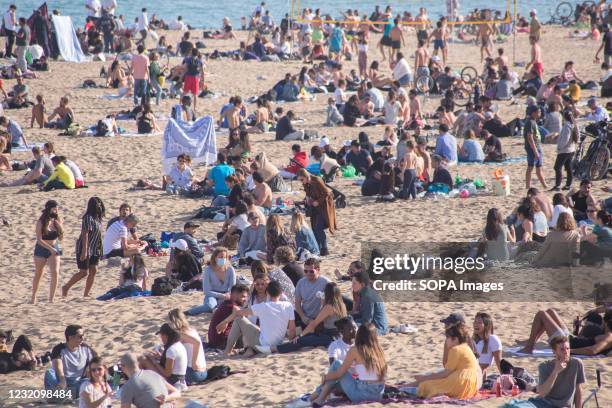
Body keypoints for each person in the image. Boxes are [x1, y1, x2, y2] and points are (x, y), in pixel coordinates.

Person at [309, 323, 386, 405]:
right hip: (378, 394)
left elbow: (338, 374)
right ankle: (315, 396)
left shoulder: (355, 350)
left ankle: (317, 398)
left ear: (359, 334)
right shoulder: (379, 350)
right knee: (335, 384)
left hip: (362, 395)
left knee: (337, 364)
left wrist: (325, 377)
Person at [222, 280, 296, 357]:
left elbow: (240, 313)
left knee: (238, 319)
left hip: (262, 344)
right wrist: (290, 343)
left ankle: (227, 351)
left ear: (267, 293)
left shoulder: (263, 306)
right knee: (257, 328)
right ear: (281, 293)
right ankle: (249, 349)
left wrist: (226, 320)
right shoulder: (288, 306)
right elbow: (292, 329)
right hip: (278, 343)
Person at [271, 281, 347, 353]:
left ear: (327, 293)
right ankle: (281, 346)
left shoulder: (329, 307)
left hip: (330, 337)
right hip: (338, 335)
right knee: (308, 336)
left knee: (300, 340)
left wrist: (300, 335)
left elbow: (314, 323)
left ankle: (276, 348)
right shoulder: (341, 305)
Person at [412, 322, 479, 399]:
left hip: (461, 381)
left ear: (455, 339)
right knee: (429, 382)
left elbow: (446, 373)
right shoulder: (465, 347)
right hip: (471, 383)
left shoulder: (455, 349)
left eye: (447, 337)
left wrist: (425, 378)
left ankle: (441, 395)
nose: (446, 340)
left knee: (425, 385)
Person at [61, 197, 105, 298]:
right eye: (97, 204)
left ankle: (86, 294)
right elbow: (85, 234)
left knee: (94, 270)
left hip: (95, 249)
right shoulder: (88, 218)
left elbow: (98, 236)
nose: (99, 205)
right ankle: (66, 287)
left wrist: (101, 251)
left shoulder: (98, 219)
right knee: (83, 272)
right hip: (84, 247)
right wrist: (84, 251)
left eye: (100, 203)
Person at [44, 325, 97, 399]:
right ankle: (57, 396)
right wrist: (63, 381)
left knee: (90, 381)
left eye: (83, 336)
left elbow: (97, 362)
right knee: (49, 373)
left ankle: (65, 396)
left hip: (78, 383)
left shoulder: (85, 348)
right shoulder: (59, 349)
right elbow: (59, 367)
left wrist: (89, 369)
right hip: (62, 382)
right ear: (70, 338)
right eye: (80, 336)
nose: (82, 339)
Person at [296, 169, 336, 256]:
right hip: (314, 207)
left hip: (324, 206)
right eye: (300, 180)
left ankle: (324, 249)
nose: (301, 182)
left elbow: (327, 192)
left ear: (306, 176)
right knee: (314, 228)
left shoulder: (317, 180)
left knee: (318, 228)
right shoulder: (306, 183)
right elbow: (308, 194)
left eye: (302, 179)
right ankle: (318, 247)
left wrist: (318, 201)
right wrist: (305, 201)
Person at [187, 247, 236, 315]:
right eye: (221, 257)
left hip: (227, 296)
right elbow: (206, 291)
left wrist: (227, 295)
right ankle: (188, 312)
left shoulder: (230, 270)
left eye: (225, 257)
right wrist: (222, 295)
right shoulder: (208, 270)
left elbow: (233, 287)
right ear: (215, 258)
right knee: (209, 306)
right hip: (212, 295)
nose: (223, 259)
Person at [32, 200, 63, 304]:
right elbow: (39, 239)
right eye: (54, 208)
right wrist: (50, 249)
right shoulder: (41, 222)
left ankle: (51, 299)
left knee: (55, 273)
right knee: (39, 273)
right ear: (49, 209)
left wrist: (59, 226)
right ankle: (33, 297)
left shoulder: (56, 220)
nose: (56, 211)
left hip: (55, 246)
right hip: (42, 248)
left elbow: (61, 237)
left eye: (57, 208)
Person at [141, 323, 188, 389]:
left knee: (144, 360)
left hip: (173, 381)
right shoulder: (179, 345)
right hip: (180, 379)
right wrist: (160, 357)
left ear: (166, 336)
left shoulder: (171, 350)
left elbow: (167, 373)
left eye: (161, 335)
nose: (161, 338)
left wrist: (154, 361)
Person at [168, 309, 207, 385]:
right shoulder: (192, 330)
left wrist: (194, 363)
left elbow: (197, 343)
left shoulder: (181, 334)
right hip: (204, 372)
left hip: (193, 372)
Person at [208, 283, 250, 350]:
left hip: (214, 342)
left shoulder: (226, 304)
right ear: (234, 295)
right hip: (222, 343)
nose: (245, 299)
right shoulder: (231, 307)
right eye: (243, 296)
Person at [551, 110, 578, 191]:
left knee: (557, 167)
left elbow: (565, 139)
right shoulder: (574, 124)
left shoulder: (567, 126)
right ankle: (568, 185)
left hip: (565, 150)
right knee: (569, 168)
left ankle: (557, 186)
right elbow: (577, 136)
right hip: (571, 149)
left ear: (564, 117)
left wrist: (559, 147)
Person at [472, 312, 502, 381]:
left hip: (476, 377)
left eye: (479, 323)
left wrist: (504, 377)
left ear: (486, 325)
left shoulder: (493, 339)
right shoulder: (473, 340)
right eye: (475, 322)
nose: (476, 325)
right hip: (470, 373)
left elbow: (499, 362)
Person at [524, 104, 548, 190]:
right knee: (530, 167)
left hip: (537, 147)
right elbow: (529, 138)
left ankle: (544, 185)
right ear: (533, 113)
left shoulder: (533, 121)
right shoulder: (530, 122)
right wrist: (535, 152)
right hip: (532, 149)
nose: (540, 113)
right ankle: (527, 186)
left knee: (539, 167)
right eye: (539, 112)